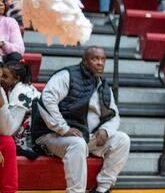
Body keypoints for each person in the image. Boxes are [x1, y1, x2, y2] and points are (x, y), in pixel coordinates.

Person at [30, 47, 130, 193]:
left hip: (84, 137)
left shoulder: (103, 87)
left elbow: (114, 116)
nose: (100, 63)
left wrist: (105, 130)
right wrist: (63, 128)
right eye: (95, 59)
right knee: (77, 143)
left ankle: (102, 188)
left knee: (122, 140)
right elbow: (46, 101)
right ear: (84, 60)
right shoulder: (66, 75)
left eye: (103, 59)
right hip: (52, 136)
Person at [0, 59, 40, 158]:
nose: (1, 79)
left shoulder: (19, 96)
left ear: (16, 79)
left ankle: (22, 148)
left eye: (5, 77)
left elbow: (11, 130)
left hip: (33, 136)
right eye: (1, 76)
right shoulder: (23, 87)